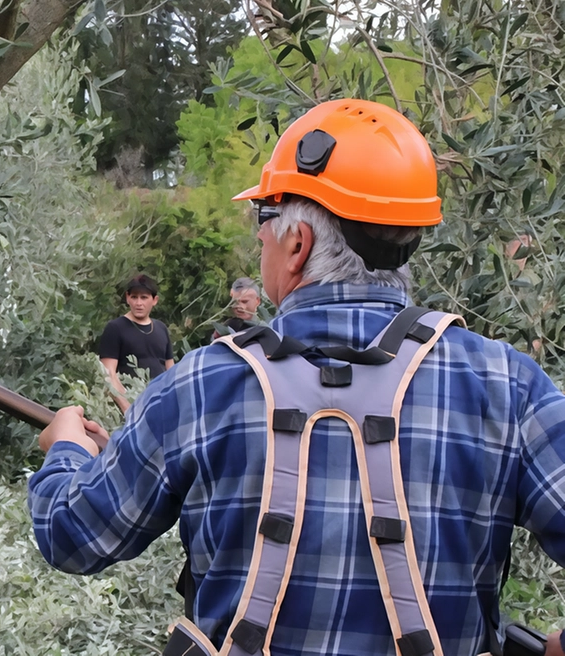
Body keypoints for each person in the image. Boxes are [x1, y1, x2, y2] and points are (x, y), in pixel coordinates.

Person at [30, 99, 565, 656]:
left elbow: (74, 537)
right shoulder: (508, 385)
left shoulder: (201, 386)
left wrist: (66, 446)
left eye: (264, 220)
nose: (259, 240)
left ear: (296, 244)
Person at [96, 274, 174, 412]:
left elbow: (171, 372)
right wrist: (128, 408)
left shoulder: (161, 328)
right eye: (134, 297)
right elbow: (108, 374)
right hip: (129, 406)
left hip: (159, 406)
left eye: (144, 297)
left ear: (155, 300)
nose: (139, 303)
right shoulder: (115, 328)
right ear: (127, 298)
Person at [209, 277, 266, 341]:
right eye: (235, 302)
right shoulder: (226, 326)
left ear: (257, 301)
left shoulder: (265, 330)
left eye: (244, 301)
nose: (239, 306)